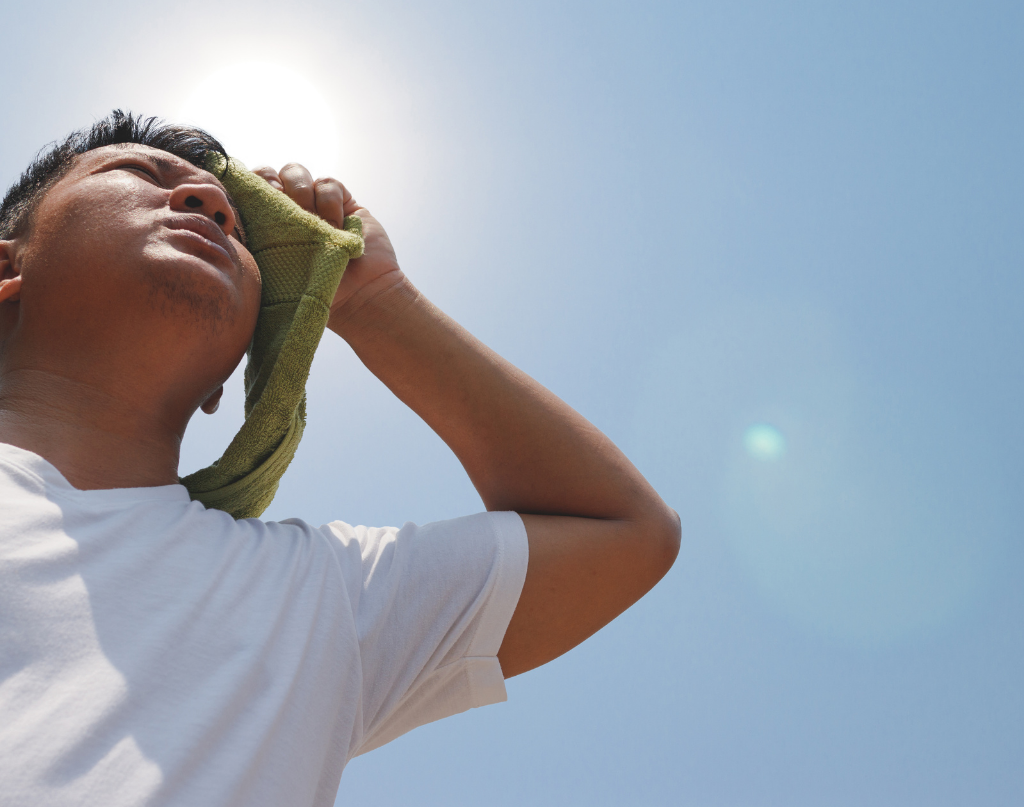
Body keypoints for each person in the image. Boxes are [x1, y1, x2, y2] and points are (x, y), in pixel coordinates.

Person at [0, 111, 679, 807]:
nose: (210, 206)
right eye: (138, 172)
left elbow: (624, 534)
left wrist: (375, 299)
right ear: (6, 269)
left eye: (238, 226)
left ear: (223, 382)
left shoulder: (318, 596)